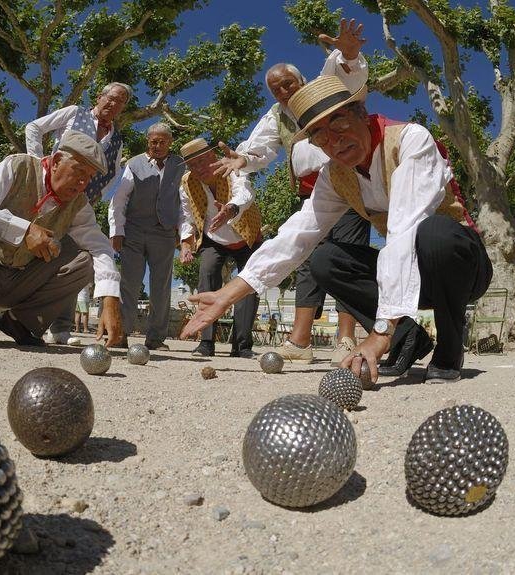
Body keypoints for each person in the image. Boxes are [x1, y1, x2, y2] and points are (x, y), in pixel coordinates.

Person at [182, 75, 492, 384]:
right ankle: (408, 338)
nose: (335, 141)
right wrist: (227, 294)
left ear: (360, 113)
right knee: (326, 259)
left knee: (433, 233)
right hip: (412, 281)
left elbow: (403, 231)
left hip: (461, 269)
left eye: (340, 124)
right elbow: (297, 236)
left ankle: (449, 349)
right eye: (320, 136)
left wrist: (380, 331)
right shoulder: (335, 174)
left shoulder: (411, 140)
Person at [211, 18, 369, 366]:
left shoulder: (326, 87)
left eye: (287, 84)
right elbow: (260, 148)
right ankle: (300, 340)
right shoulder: (275, 116)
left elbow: (346, 73)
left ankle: (346, 338)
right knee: (307, 262)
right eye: (276, 89)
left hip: (351, 184)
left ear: (301, 80)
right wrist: (244, 159)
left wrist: (349, 55)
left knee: (349, 256)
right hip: (310, 193)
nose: (283, 91)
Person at [0, 129, 123, 347]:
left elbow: (100, 247)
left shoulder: (79, 204)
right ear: (57, 161)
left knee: (84, 261)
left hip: (21, 285)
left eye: (88, 178)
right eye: (79, 172)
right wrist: (24, 231)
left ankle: (20, 322)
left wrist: (110, 297)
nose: (82, 184)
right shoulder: (17, 166)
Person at [25, 81, 132, 345]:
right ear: (100, 96)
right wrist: (37, 165)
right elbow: (34, 127)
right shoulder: (74, 113)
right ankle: (26, 319)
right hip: (49, 192)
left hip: (79, 203)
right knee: (38, 250)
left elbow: (113, 172)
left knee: (73, 257)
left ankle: (61, 327)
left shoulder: (116, 139)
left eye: (121, 102)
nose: (114, 105)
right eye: (112, 98)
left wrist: (95, 196)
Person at [178, 137, 262, 358]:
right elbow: (186, 217)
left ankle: (242, 346)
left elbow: (246, 193)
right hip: (213, 238)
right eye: (193, 165)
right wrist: (186, 243)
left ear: (213, 157)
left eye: (203, 160)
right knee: (207, 272)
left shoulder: (232, 168)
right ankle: (206, 343)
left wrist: (231, 209)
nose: (199, 168)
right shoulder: (186, 183)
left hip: (247, 236)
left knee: (248, 284)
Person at [108, 122, 186, 350]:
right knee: (129, 283)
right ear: (148, 142)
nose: (158, 145)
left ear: (170, 143)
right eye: (154, 141)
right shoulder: (133, 164)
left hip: (164, 233)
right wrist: (117, 231)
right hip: (133, 231)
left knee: (161, 286)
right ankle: (121, 334)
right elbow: (119, 200)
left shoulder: (180, 166)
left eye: (163, 141)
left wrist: (184, 235)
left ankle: (155, 338)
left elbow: (183, 204)